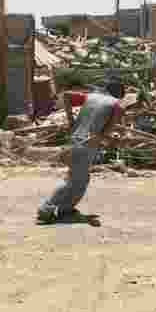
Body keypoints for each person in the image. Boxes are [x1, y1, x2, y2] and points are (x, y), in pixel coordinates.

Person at [37, 89, 123, 224]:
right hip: (87, 145)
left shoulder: (90, 97)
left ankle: (66, 209)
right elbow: (106, 132)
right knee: (73, 181)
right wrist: (113, 141)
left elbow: (66, 95)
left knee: (81, 180)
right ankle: (45, 210)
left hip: (75, 139)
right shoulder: (116, 105)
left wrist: (71, 120)